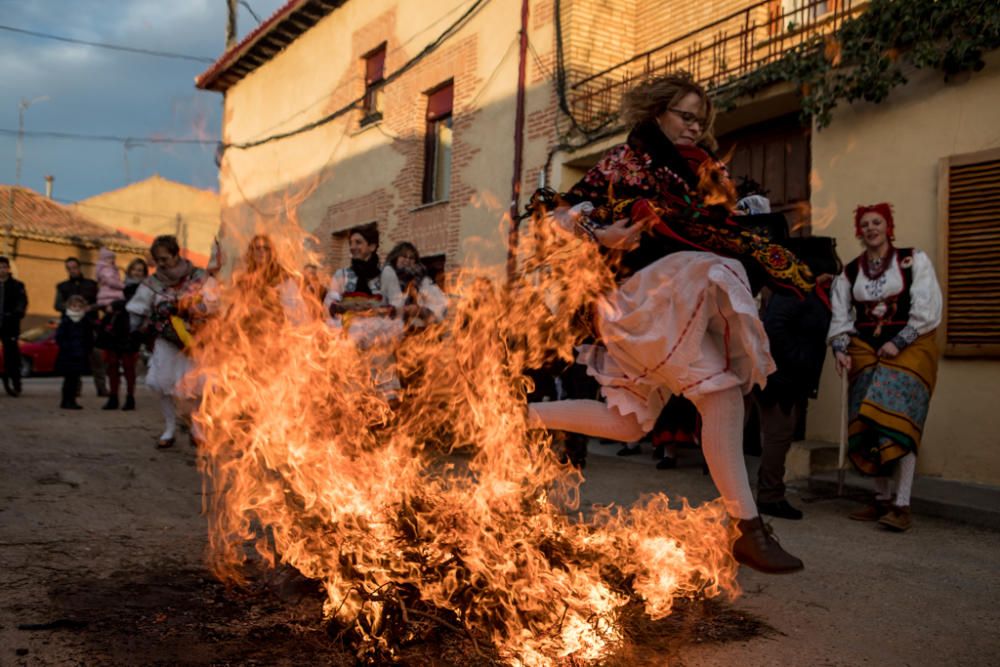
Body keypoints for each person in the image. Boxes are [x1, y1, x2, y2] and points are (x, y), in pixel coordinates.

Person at [527, 71, 814, 574]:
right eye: (685, 116)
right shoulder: (626, 160)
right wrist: (601, 232)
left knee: (629, 421)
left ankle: (521, 417)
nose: (693, 128)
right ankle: (748, 528)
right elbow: (554, 218)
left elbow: (718, 229)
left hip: (667, 305)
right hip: (636, 299)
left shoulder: (703, 174)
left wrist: (746, 220)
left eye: (700, 122)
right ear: (658, 112)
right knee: (714, 273)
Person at [828, 203, 942, 532]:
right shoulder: (850, 272)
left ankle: (902, 505)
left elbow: (927, 308)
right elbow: (841, 316)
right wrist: (840, 349)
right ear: (859, 231)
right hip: (866, 348)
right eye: (865, 224)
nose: (871, 228)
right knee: (869, 421)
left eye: (877, 222)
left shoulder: (912, 259)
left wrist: (900, 341)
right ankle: (880, 499)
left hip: (910, 345)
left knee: (899, 423)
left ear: (888, 226)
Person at [755, 237, 841, 520]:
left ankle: (771, 492)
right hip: (781, 380)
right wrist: (800, 359)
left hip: (791, 379)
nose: (831, 277)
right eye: (827, 270)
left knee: (780, 436)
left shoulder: (810, 291)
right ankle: (769, 496)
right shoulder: (794, 292)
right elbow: (774, 328)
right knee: (777, 437)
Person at [126, 236, 208, 448]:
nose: (161, 264)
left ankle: (196, 428)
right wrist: (133, 330)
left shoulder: (199, 277)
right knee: (161, 384)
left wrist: (195, 313)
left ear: (176, 254)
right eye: (157, 260)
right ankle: (169, 429)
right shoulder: (152, 284)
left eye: (165, 259)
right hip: (166, 342)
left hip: (194, 342)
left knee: (198, 385)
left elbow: (213, 304)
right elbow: (138, 309)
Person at [323, 224, 403, 401]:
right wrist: (343, 313)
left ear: (372, 246)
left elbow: (397, 306)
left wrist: (378, 314)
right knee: (353, 398)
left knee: (385, 398)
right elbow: (330, 305)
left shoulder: (386, 274)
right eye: (351, 243)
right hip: (350, 344)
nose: (353, 247)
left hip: (380, 344)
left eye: (358, 242)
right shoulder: (341, 275)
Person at [96, 258, 148, 410]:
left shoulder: (145, 288)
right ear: (129, 270)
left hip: (132, 331)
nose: (137, 272)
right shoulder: (119, 285)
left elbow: (137, 305)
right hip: (115, 330)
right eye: (135, 269)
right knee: (112, 366)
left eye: (140, 270)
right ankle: (113, 397)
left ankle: (130, 398)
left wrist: (116, 304)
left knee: (128, 366)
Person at [54, 256, 107, 397]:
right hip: (72, 326)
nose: (72, 271)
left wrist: (89, 307)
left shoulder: (91, 285)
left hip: (91, 325)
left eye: (74, 267)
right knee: (74, 360)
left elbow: (101, 302)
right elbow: (57, 305)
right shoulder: (62, 286)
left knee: (96, 358)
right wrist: (71, 307)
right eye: (69, 268)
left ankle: (101, 388)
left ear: (79, 267)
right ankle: (75, 389)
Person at [384, 242, 448, 329]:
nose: (407, 260)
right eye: (403, 256)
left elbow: (441, 303)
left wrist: (421, 311)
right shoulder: (385, 275)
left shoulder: (422, 280)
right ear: (395, 258)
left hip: (416, 331)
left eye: (411, 258)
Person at [56, 295, 93, 410]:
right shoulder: (66, 320)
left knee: (75, 379)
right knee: (69, 379)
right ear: (69, 306)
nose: (76, 308)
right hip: (68, 354)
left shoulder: (85, 320)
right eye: (74, 306)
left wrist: (87, 349)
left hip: (80, 354)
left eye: (79, 306)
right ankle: (66, 400)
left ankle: (71, 400)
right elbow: (60, 338)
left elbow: (89, 337)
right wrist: (67, 347)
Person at [0, 256, 28, 397]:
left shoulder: (17, 286)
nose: (2, 270)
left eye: (4, 267)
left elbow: (22, 303)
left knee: (12, 356)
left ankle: (15, 383)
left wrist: (15, 314)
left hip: (10, 326)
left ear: (8, 268)